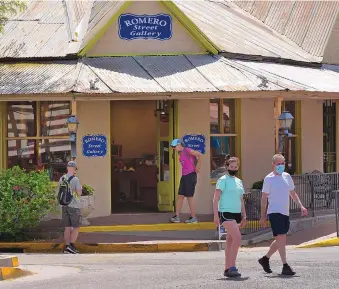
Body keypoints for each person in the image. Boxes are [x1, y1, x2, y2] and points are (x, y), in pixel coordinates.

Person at [258, 154, 308, 275]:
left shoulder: (287, 176)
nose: (281, 166)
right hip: (274, 212)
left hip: (285, 212)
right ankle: (285, 265)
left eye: (283, 163)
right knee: (281, 237)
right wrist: (263, 215)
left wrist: (301, 205)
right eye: (278, 163)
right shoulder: (268, 179)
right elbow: (264, 198)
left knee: (280, 238)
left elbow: (293, 193)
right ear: (273, 165)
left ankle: (265, 259)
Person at [213, 155, 247, 278]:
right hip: (225, 212)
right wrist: (216, 215)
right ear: (227, 167)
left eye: (235, 166)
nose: (233, 168)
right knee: (237, 237)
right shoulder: (223, 180)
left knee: (230, 240)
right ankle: (233, 266)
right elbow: (216, 198)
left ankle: (227, 268)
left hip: (237, 213)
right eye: (231, 166)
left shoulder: (239, 181)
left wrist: (244, 216)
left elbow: (241, 200)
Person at [169, 139, 202, 224]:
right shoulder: (179, 153)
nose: (173, 148)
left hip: (190, 175)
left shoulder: (186, 150)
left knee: (189, 196)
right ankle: (177, 216)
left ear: (179, 144)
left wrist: (198, 166)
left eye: (174, 146)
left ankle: (193, 217)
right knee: (180, 196)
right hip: (184, 176)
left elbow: (199, 154)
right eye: (172, 147)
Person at [59, 161, 82, 254]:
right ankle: (72, 246)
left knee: (67, 227)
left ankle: (67, 246)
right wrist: (80, 189)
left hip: (64, 205)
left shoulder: (62, 178)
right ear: (74, 169)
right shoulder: (75, 179)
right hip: (74, 206)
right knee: (76, 227)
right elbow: (79, 193)